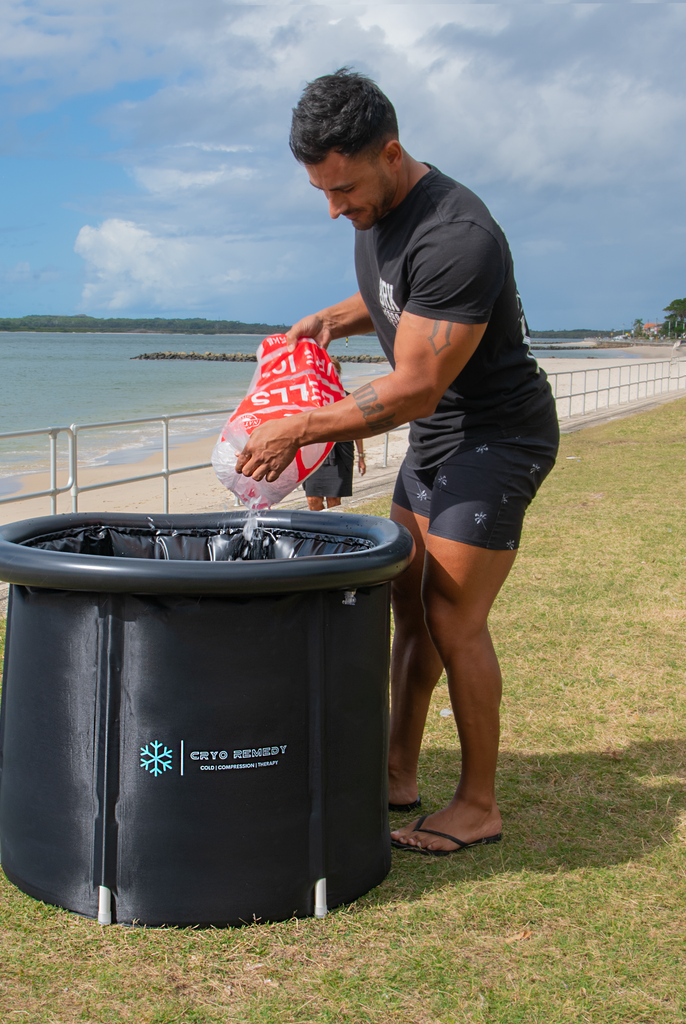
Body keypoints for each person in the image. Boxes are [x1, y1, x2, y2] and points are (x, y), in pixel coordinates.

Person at [236, 69, 559, 855]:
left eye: (344, 189)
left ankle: (478, 805)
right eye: (322, 191)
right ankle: (395, 772)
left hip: (498, 436)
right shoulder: (375, 209)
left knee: (454, 615)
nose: (336, 208)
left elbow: (415, 384)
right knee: (407, 606)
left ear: (391, 152)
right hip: (441, 433)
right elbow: (392, 298)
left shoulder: (458, 237)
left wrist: (299, 428)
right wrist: (325, 321)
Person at [305, 357, 367, 510]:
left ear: (339, 373)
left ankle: (329, 532)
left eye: (336, 371)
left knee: (334, 501)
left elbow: (358, 429)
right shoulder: (312, 399)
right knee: (312, 500)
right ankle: (317, 532)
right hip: (315, 454)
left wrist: (361, 457)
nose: (332, 374)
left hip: (340, 453)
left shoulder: (349, 399)